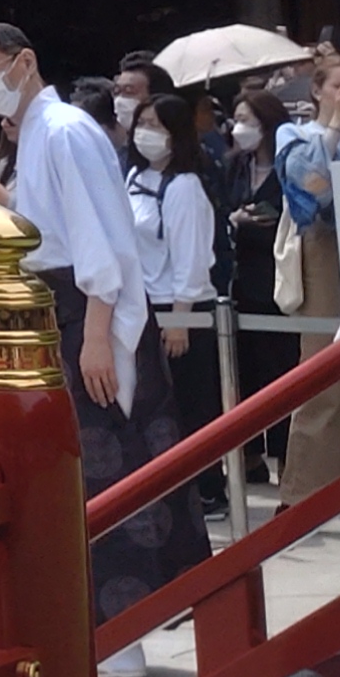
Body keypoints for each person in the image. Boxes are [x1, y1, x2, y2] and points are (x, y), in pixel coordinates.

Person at [0, 21, 206, 676]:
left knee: (112, 466)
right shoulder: (43, 131)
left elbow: (101, 239)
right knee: (80, 470)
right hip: (62, 304)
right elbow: (53, 224)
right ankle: (104, 628)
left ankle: (122, 632)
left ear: (25, 61)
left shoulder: (66, 130)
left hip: (87, 310)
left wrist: (97, 332)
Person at [126, 85, 227, 516]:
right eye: (142, 125)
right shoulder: (133, 177)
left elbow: (192, 255)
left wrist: (181, 317)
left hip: (180, 309)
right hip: (144, 304)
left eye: (156, 127)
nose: (145, 133)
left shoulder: (184, 186)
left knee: (191, 405)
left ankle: (207, 489)